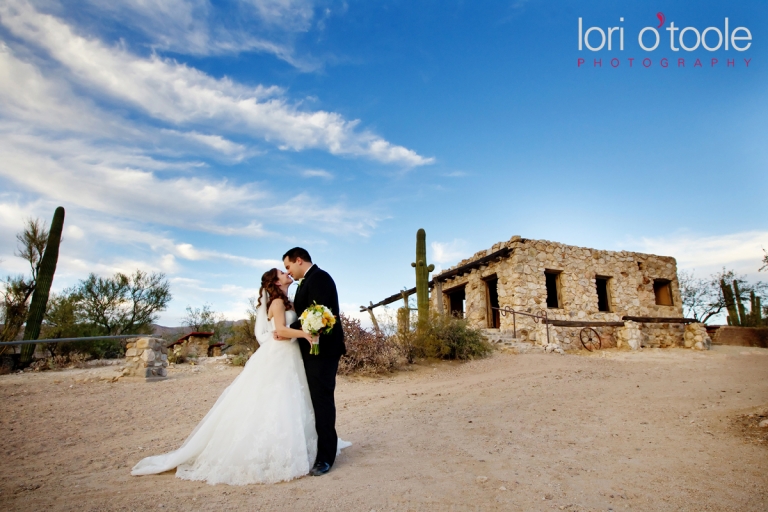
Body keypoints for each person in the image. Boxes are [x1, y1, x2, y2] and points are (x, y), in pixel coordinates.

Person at [131, 267, 347, 485]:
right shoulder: (278, 303)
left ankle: (306, 446)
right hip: (280, 353)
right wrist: (304, 333)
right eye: (283, 271)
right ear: (275, 281)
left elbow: (285, 327)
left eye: (287, 268)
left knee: (291, 399)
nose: (287, 272)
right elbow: (280, 330)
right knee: (276, 400)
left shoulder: (288, 301)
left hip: (290, 353)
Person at [280, 247, 346, 476]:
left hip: (322, 352)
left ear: (299, 260)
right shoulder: (307, 282)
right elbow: (306, 315)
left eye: (288, 266)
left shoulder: (320, 278)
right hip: (310, 351)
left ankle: (326, 457)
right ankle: (315, 448)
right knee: (313, 401)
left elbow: (317, 314)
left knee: (322, 401)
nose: (288, 271)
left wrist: (288, 330)